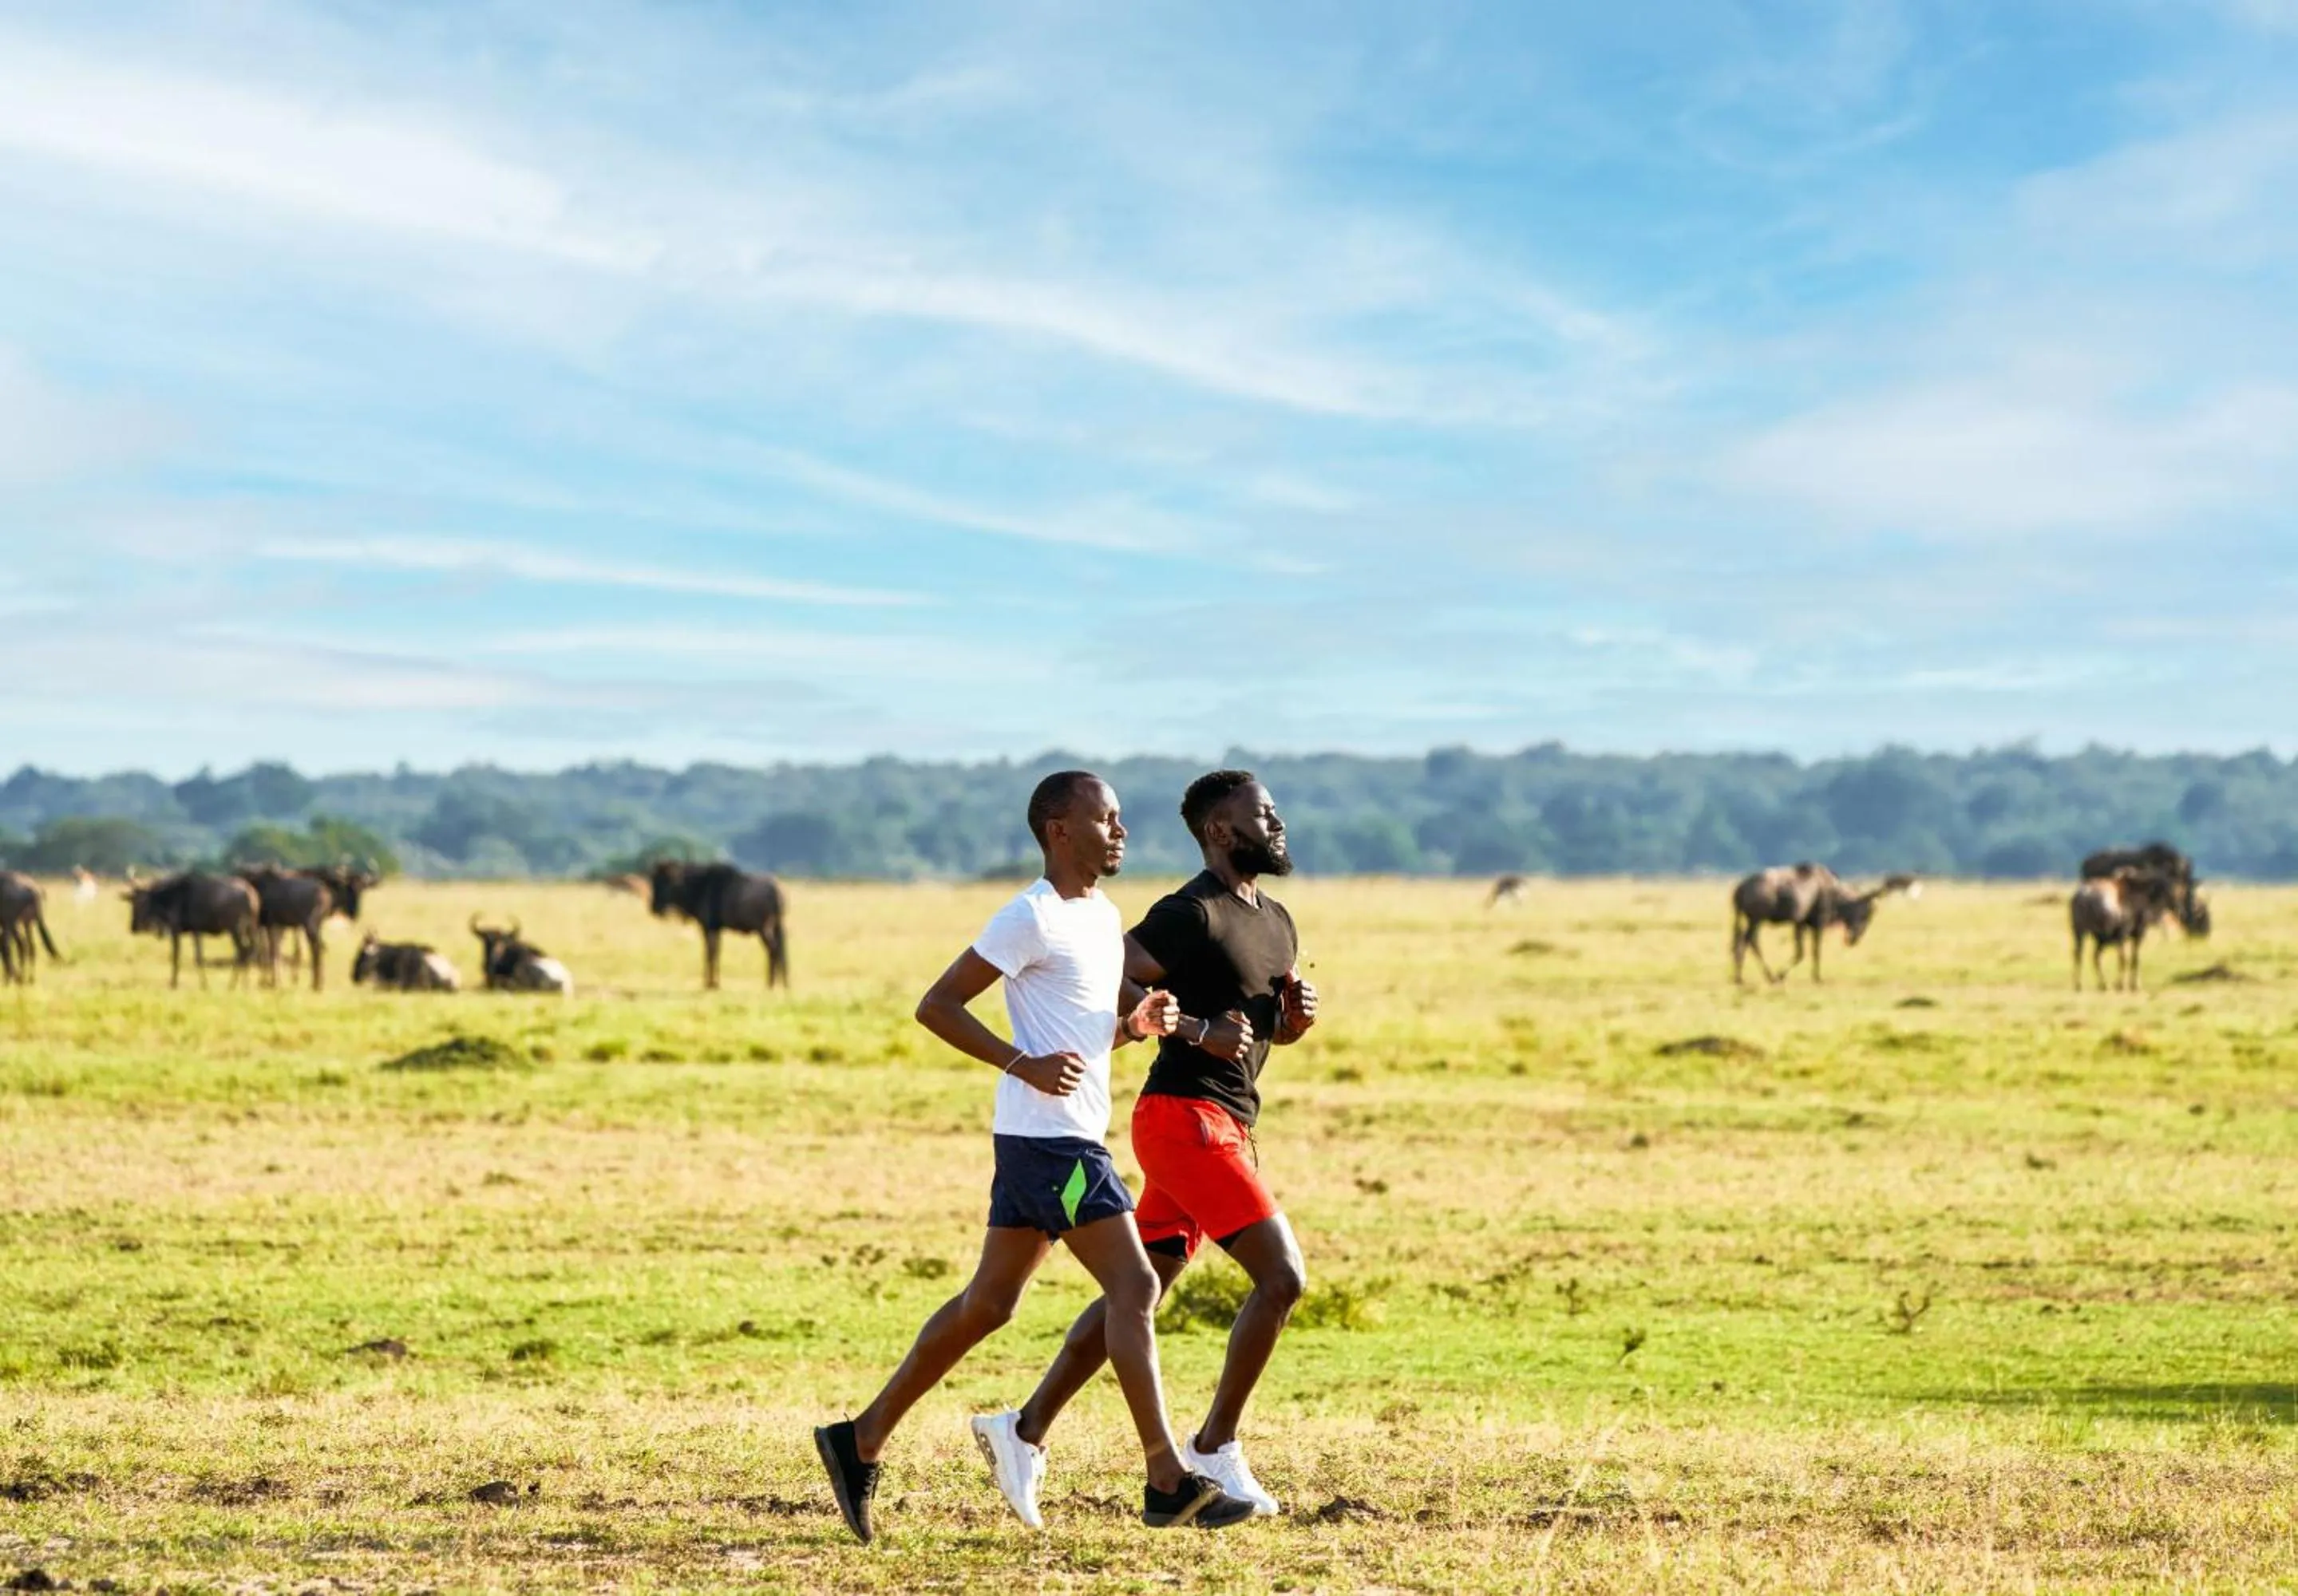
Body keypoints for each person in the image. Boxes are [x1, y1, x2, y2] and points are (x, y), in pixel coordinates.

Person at [814, 770, 1256, 1540]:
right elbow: (937, 1005)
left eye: (1120, 819)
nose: (1120, 831)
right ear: (1060, 829)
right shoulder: (1030, 917)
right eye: (1105, 819)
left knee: (990, 1305)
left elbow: (1083, 1035)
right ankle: (1164, 1478)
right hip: (1052, 1142)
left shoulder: (1101, 915)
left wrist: (1137, 1025)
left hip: (1046, 1137)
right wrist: (1020, 1063)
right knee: (1135, 1284)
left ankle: (859, 1440)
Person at [971, 770, 1319, 1525]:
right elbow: (1111, 981)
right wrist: (1187, 1027)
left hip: (1228, 1120)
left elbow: (1254, 1035)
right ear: (1220, 831)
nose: (1278, 824)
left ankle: (1021, 1429)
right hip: (1182, 1122)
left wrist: (1288, 1024)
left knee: (1137, 1293)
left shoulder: (1277, 920)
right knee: (1281, 1279)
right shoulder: (1187, 913)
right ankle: (1211, 1448)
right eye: (1263, 815)